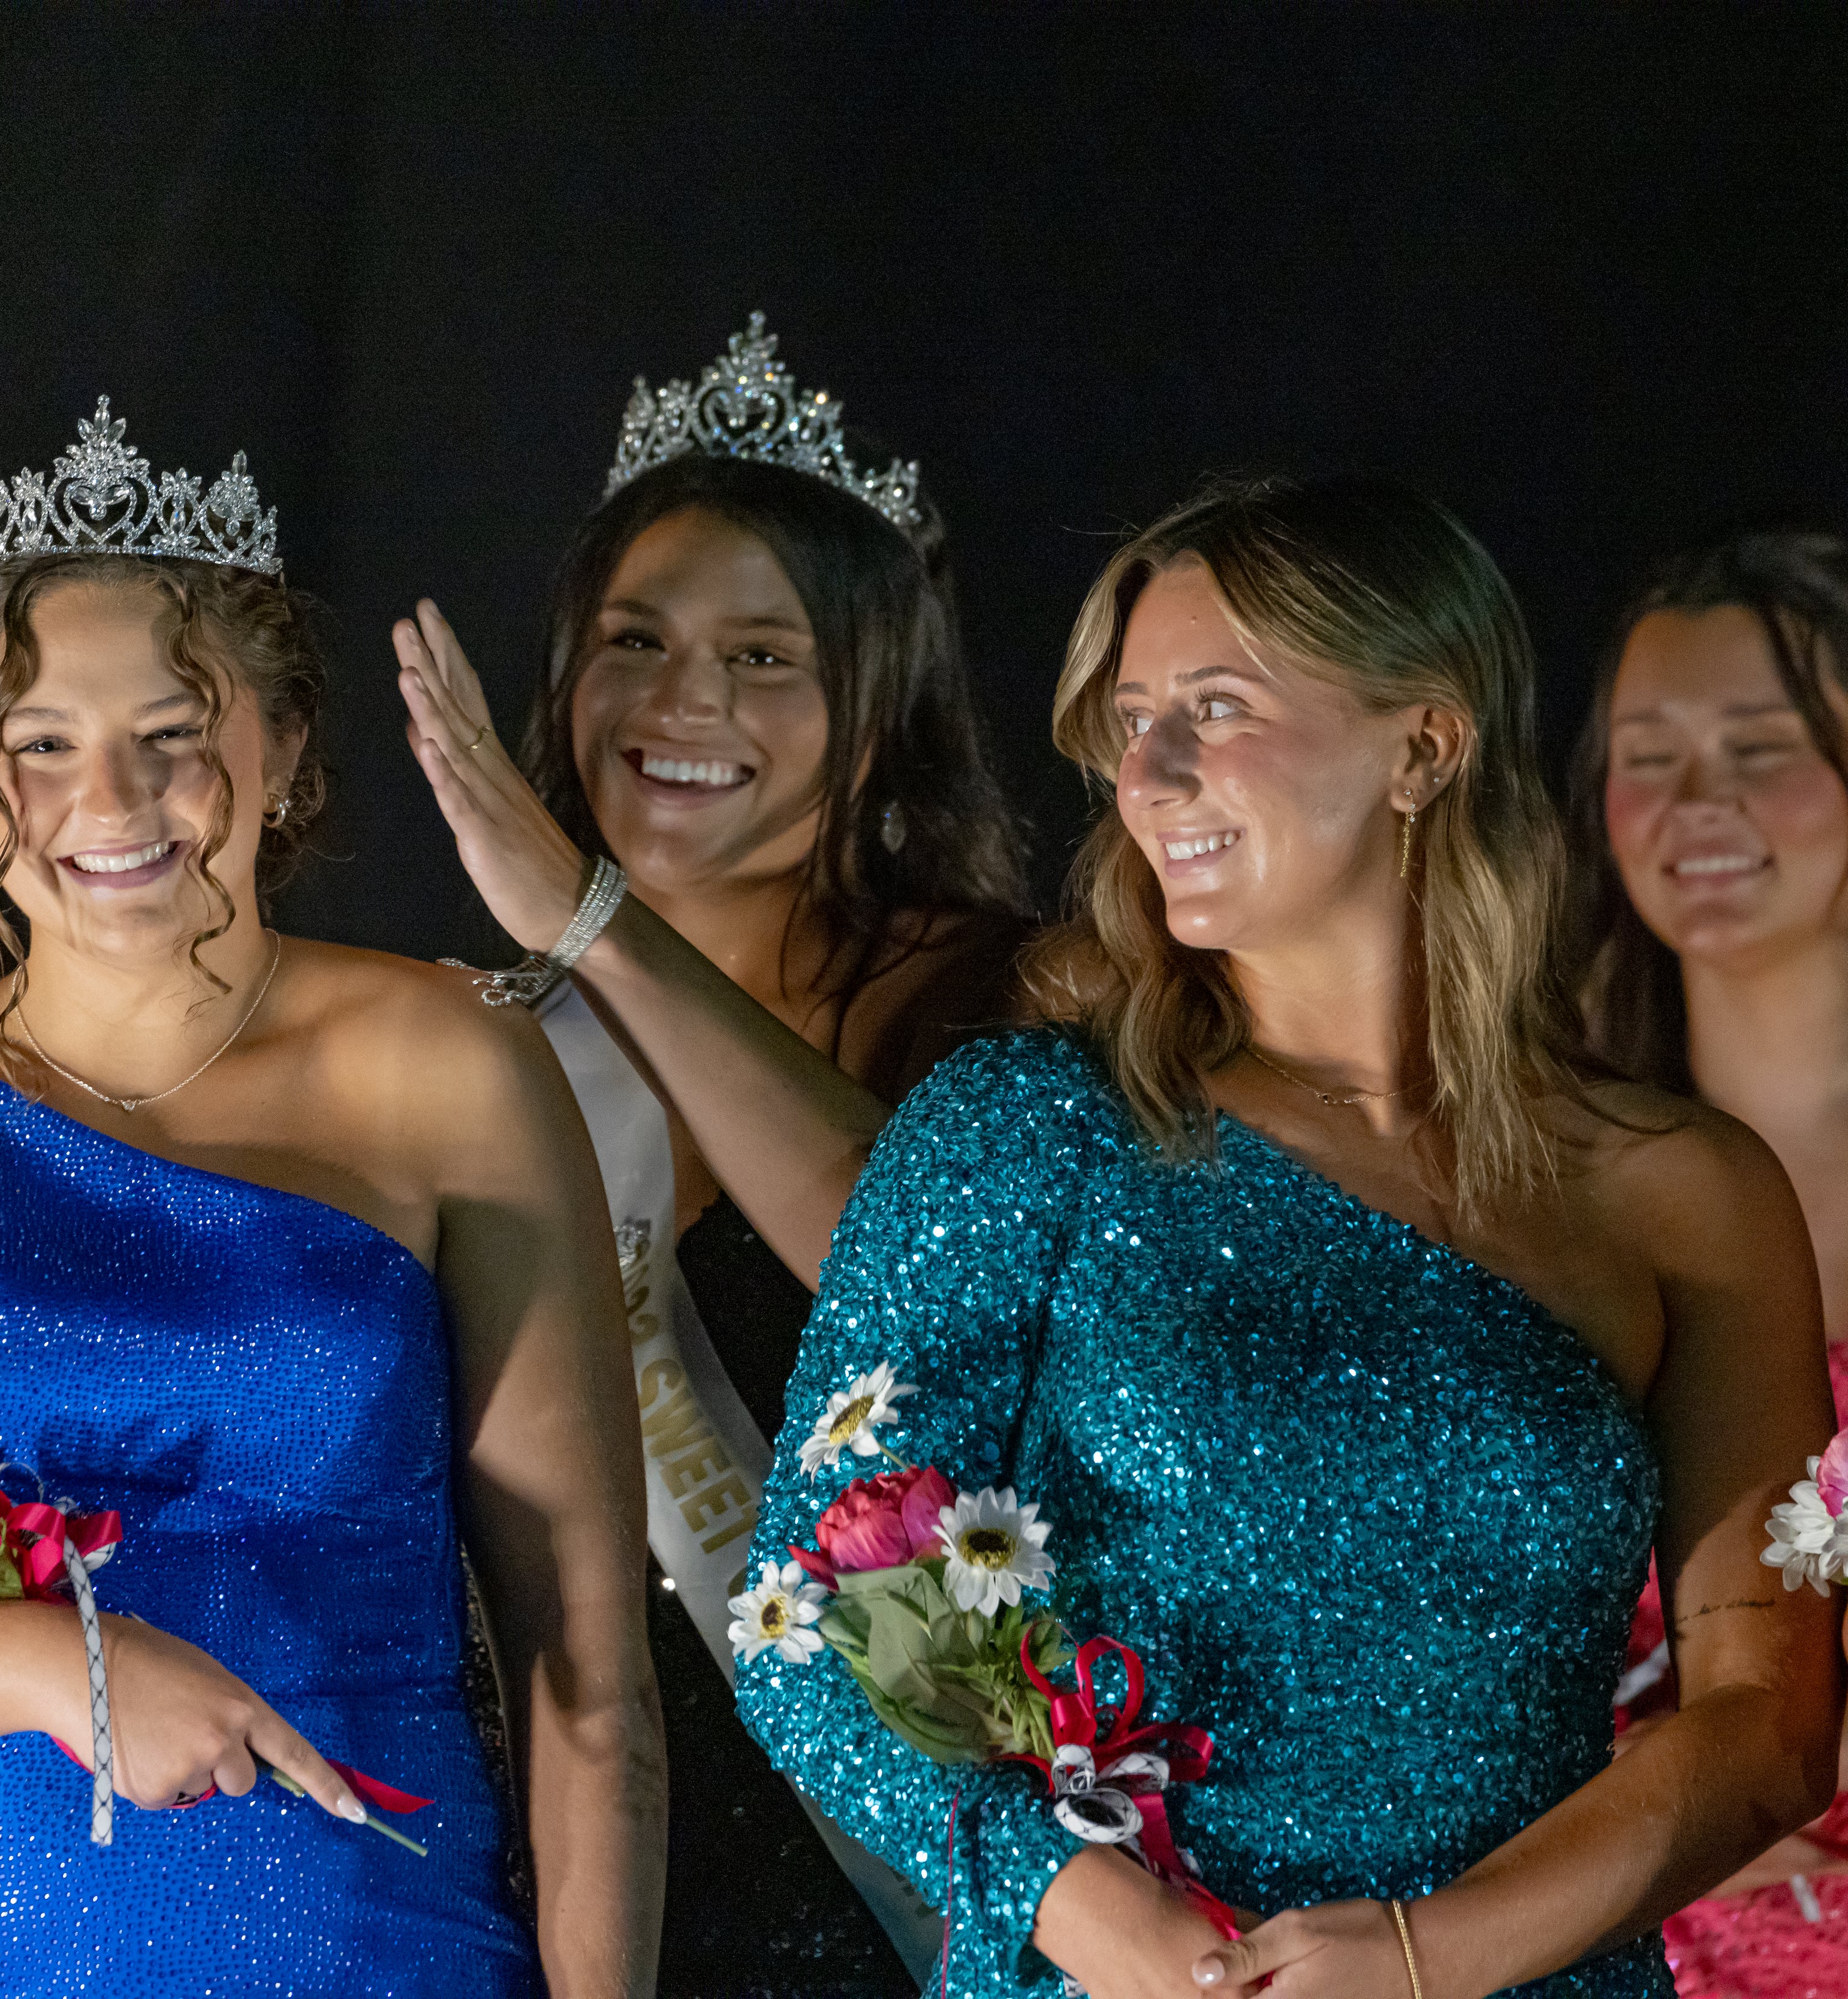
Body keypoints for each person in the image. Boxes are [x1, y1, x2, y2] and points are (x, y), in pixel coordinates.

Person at [0, 402, 661, 1996]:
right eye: (40, 744)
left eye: (174, 733)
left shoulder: (448, 1071)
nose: (109, 800)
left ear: (288, 748)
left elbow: (585, 1676)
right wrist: (56, 1667)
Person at [740, 476, 1841, 1999]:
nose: (1154, 769)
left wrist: (1424, 1961)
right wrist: (1084, 1911)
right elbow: (816, 1613)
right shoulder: (1025, 1124)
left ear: (1424, 744)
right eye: (1130, 722)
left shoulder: (1685, 1191)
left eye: (1214, 704)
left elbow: (1769, 1725)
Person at [384, 315, 1027, 1995]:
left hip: (901, 1888)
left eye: (765, 658)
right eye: (637, 640)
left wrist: (595, 927)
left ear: (880, 709)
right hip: (565, 1874)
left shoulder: (1011, 1004)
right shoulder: (472, 1044)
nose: (684, 701)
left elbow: (923, 1267)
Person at [1576, 528, 1848, 1989]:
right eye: (1649, 755)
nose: (1698, 805)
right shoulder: (1531, 1173)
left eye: (1761, 747)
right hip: (1605, 1902)